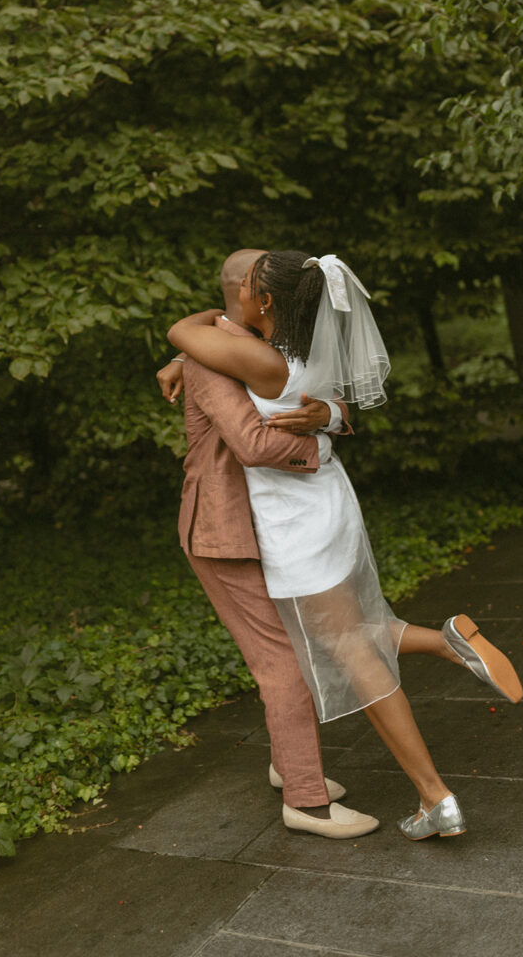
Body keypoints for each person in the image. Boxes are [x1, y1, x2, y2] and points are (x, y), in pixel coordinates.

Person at [168, 249, 523, 841]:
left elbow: (249, 433)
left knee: (348, 649)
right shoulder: (309, 343)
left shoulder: (247, 355)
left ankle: (435, 796)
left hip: (294, 519)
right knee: (335, 634)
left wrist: (187, 347)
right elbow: (333, 405)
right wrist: (328, 420)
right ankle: (446, 643)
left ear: (261, 298)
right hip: (332, 504)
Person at [158, 249, 382, 840]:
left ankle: (291, 767)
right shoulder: (211, 359)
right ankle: (306, 804)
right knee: (280, 664)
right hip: (222, 530)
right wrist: (321, 448)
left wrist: (328, 416)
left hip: (259, 524)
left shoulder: (239, 345)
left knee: (295, 651)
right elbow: (256, 445)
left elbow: (318, 396)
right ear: (251, 293)